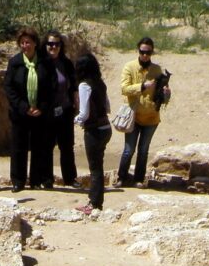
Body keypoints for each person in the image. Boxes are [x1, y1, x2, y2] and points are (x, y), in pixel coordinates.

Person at [4, 27, 55, 192]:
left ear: (35, 43)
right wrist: (24, 107)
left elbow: (51, 87)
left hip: (41, 113)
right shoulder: (15, 62)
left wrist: (41, 107)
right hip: (20, 113)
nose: (25, 45)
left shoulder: (45, 62)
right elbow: (9, 87)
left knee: (39, 146)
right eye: (22, 43)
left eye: (28, 42)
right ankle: (18, 181)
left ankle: (37, 180)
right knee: (18, 147)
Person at [117, 36, 171, 189]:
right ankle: (121, 178)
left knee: (143, 151)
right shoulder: (129, 67)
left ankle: (138, 179)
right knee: (129, 150)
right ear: (138, 51)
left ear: (152, 52)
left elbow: (161, 98)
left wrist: (166, 94)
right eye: (142, 52)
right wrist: (142, 86)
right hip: (133, 116)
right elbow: (124, 89)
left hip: (151, 118)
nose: (145, 55)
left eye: (148, 53)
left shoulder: (156, 70)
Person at [73, 53, 111, 214]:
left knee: (95, 168)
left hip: (94, 130)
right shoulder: (100, 83)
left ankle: (93, 203)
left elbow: (84, 113)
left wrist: (75, 120)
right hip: (106, 128)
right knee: (99, 167)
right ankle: (97, 202)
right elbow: (107, 106)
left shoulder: (84, 85)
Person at [45, 30, 78, 187]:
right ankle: (47, 179)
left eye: (56, 44)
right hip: (47, 112)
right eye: (50, 44)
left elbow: (73, 86)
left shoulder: (66, 63)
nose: (53, 47)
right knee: (47, 146)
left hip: (65, 110)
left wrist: (75, 104)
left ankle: (70, 179)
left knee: (67, 146)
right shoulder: (41, 64)